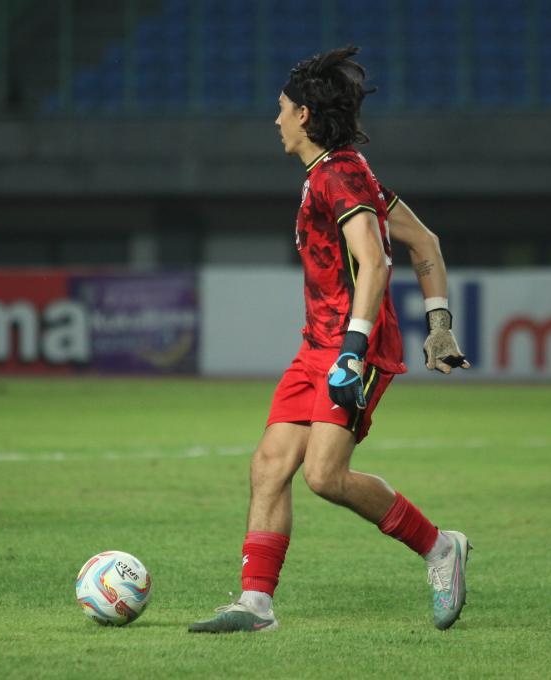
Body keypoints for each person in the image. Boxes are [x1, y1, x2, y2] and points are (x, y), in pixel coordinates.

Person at [188, 47, 473, 634]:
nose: (276, 120)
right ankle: (255, 605)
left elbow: (374, 263)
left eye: (282, 109)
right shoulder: (341, 172)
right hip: (317, 346)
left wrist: (352, 349)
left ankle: (441, 547)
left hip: (352, 347)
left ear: (305, 117)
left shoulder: (339, 177)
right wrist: (440, 322)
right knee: (270, 464)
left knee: (324, 476)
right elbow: (426, 242)